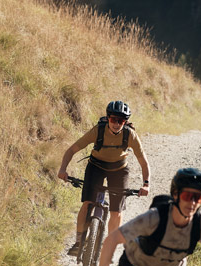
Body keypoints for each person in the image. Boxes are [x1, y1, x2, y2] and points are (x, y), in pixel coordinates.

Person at [58, 99, 151, 255]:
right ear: (108, 118)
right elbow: (71, 150)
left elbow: (143, 162)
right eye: (113, 119)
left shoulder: (130, 135)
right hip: (96, 167)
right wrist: (62, 169)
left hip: (119, 169)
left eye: (120, 120)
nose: (116, 123)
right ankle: (79, 242)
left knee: (116, 211)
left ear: (125, 122)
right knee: (88, 202)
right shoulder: (98, 131)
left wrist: (146, 184)